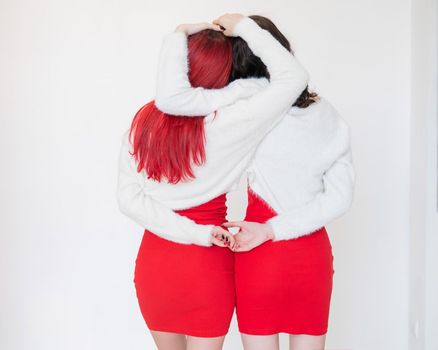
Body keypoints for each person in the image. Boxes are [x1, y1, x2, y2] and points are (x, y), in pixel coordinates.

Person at [154, 14, 354, 350]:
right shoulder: (326, 113)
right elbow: (341, 199)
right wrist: (247, 27)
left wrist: (178, 35)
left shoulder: (244, 102)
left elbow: (170, 99)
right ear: (281, 50)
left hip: (259, 253)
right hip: (312, 258)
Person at [117, 14, 309, 350]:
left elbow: (129, 199)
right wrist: (243, 27)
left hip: (155, 263)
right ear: (225, 75)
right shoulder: (234, 120)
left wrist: (177, 35)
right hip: (207, 265)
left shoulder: (144, 122)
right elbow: (292, 78)